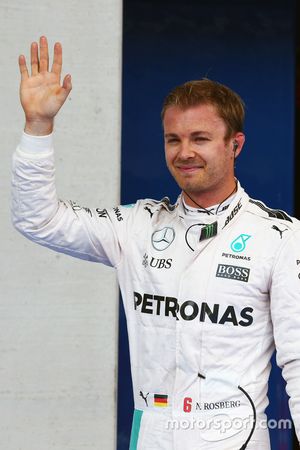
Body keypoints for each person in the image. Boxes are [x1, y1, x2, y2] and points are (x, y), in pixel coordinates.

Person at [12, 36, 300, 450]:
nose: (184, 153)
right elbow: (37, 219)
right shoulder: (137, 225)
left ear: (234, 145)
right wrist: (38, 128)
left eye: (200, 138)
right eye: (173, 139)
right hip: (152, 437)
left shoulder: (281, 237)